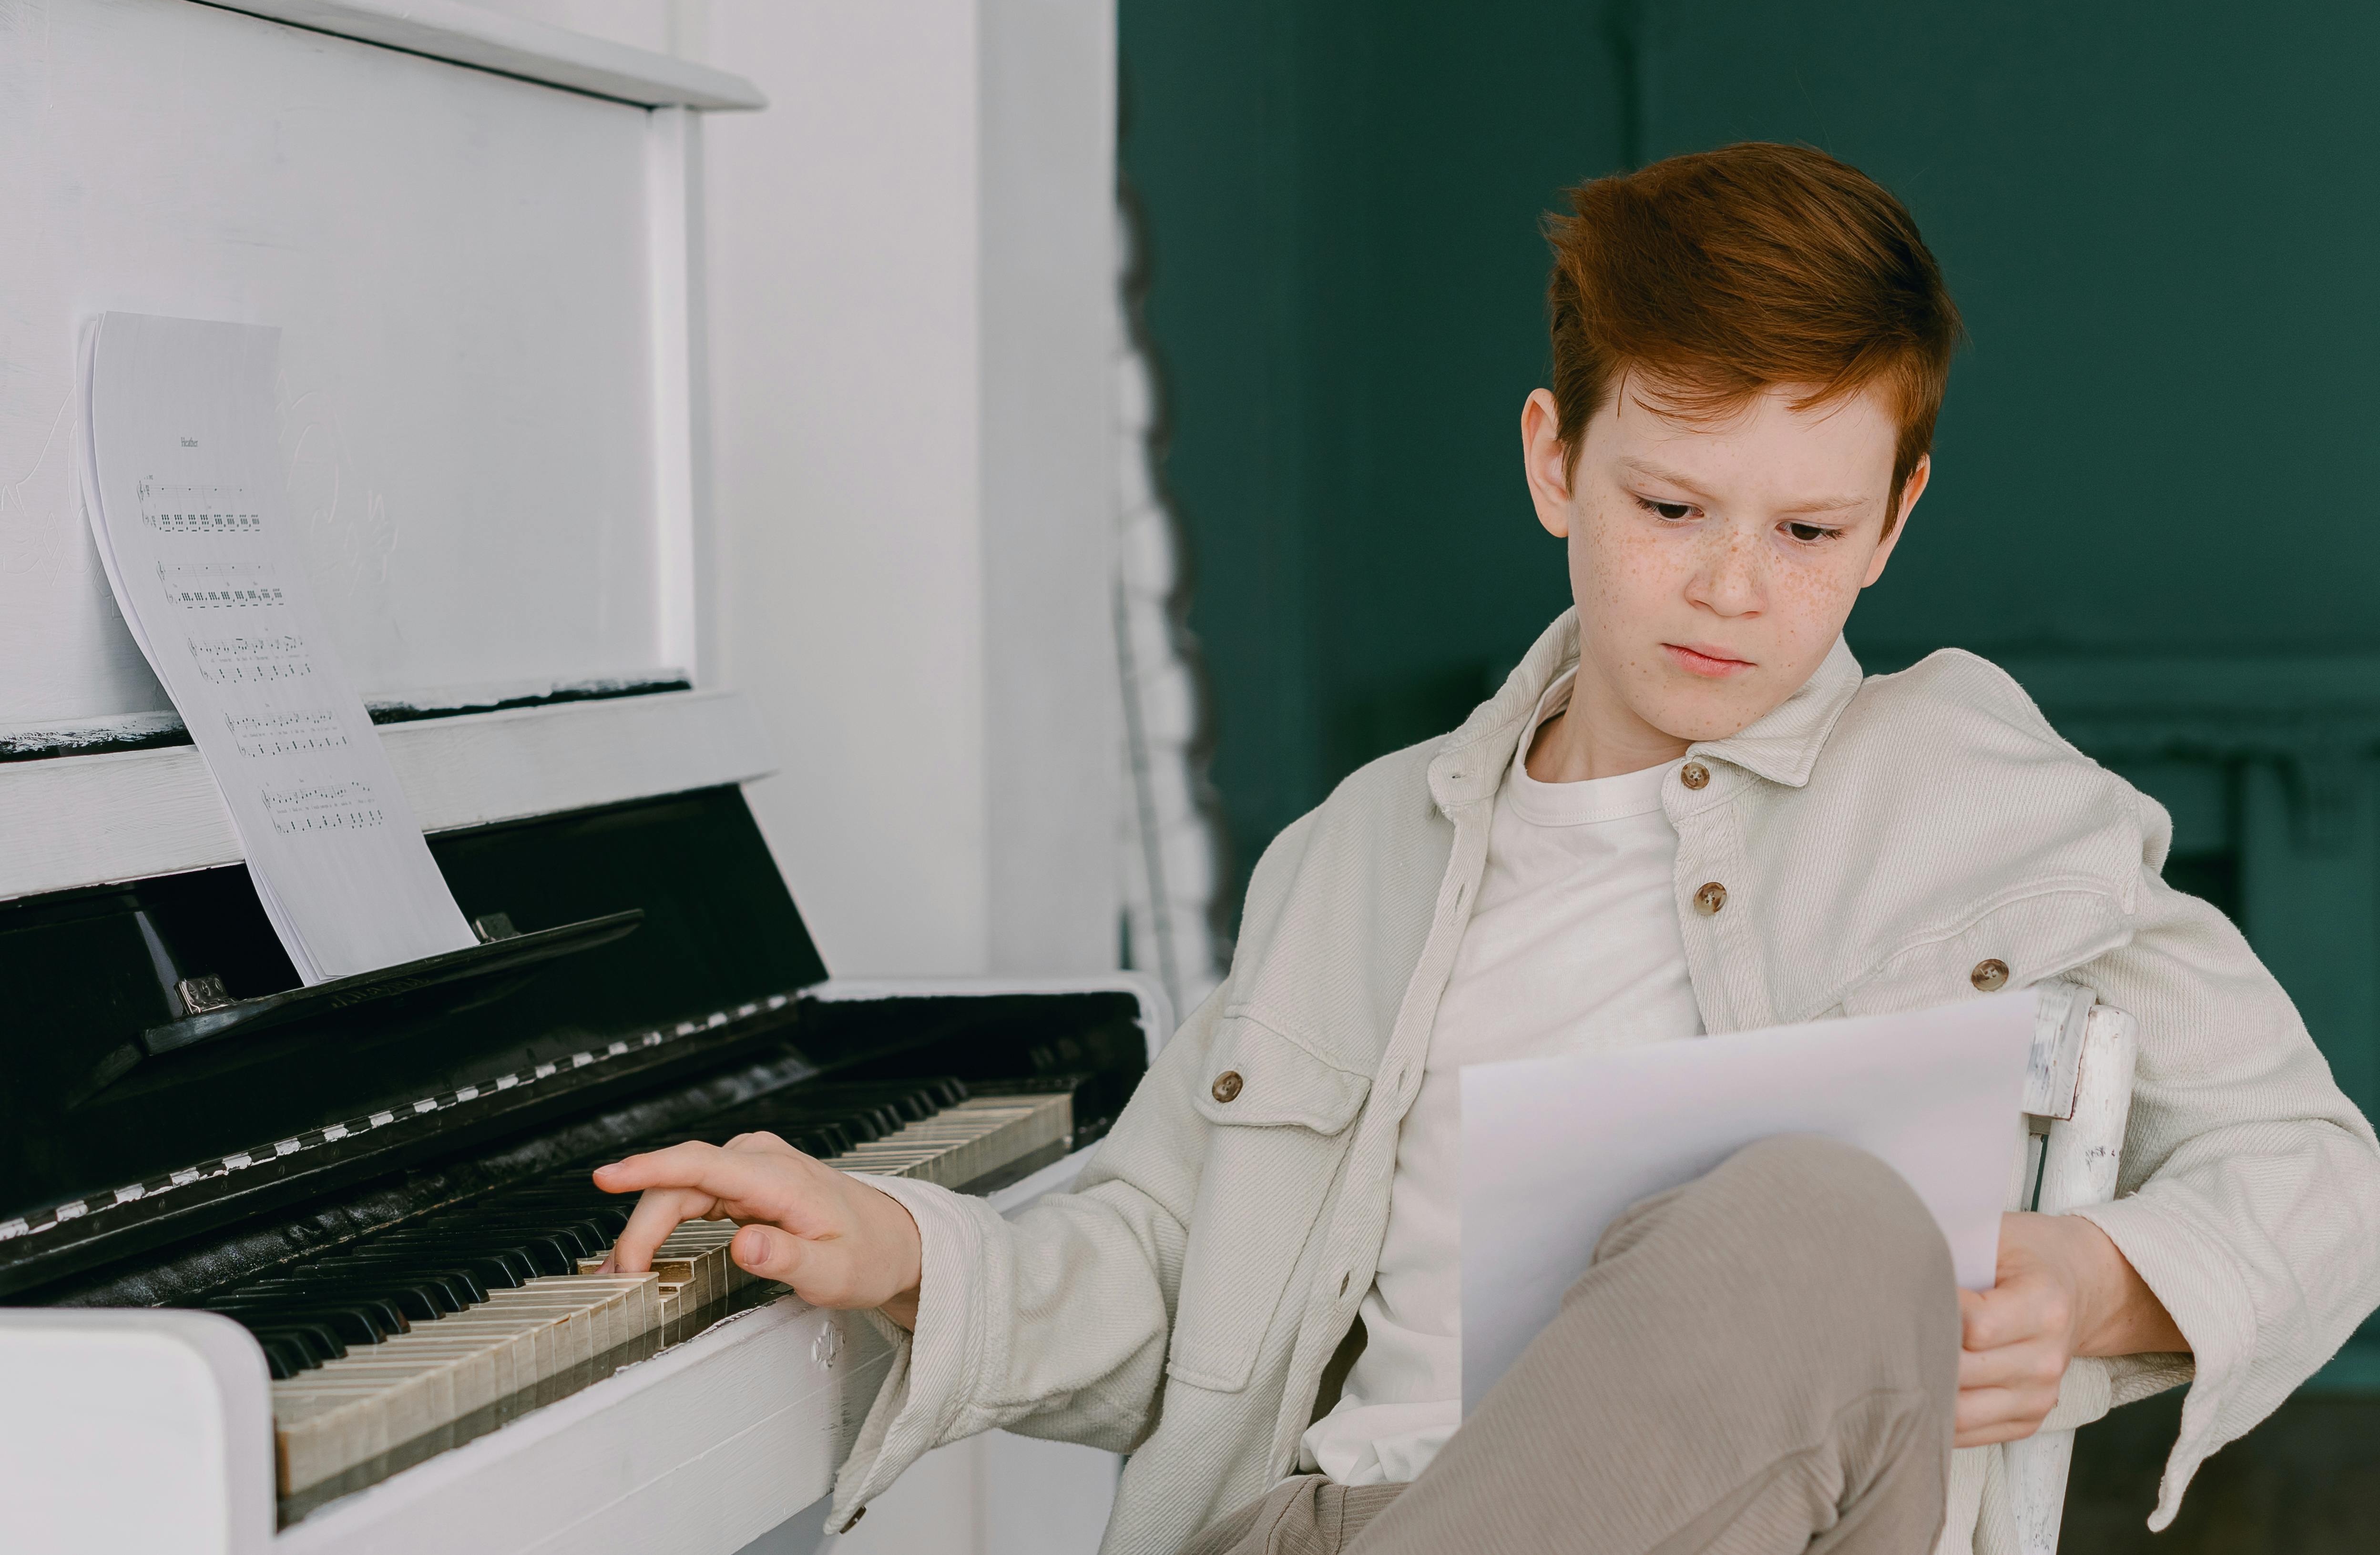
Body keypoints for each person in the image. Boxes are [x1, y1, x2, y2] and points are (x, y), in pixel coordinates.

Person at [591, 143, 2380, 1554]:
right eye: (1668, 505)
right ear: (1553, 461)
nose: (1731, 585)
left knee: (1823, 1220)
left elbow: (2320, 1173)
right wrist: (896, 1240)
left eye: (1808, 524)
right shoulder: (1359, 855)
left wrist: (2093, 1280)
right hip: (1320, 1520)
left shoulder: (1982, 795)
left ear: (1895, 520)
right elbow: (1168, 1276)